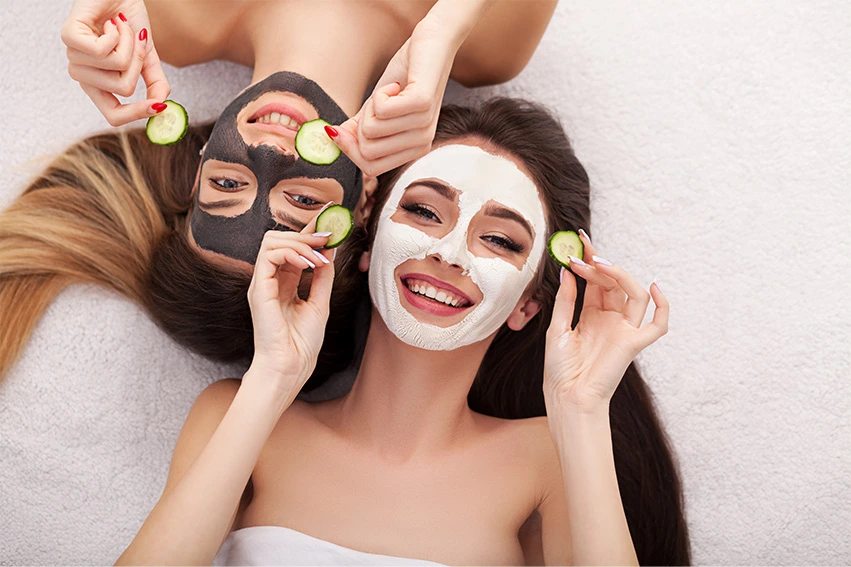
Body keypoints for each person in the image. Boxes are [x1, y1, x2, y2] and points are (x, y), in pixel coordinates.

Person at [115, 98, 691, 566]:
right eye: (422, 212)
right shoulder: (238, 416)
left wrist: (583, 409)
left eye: (500, 240)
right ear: (366, 244)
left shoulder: (550, 461)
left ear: (528, 304)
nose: (449, 253)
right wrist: (274, 374)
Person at [0, 0, 558, 379]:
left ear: (197, 170)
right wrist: (445, 25)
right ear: (364, 203)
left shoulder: (167, 16)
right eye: (303, 202)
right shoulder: (489, 45)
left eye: (227, 183)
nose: (268, 153)